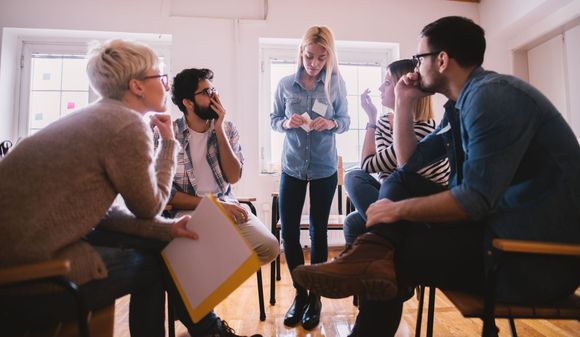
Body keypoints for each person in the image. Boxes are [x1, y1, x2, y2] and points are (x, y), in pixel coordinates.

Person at [293, 16, 580, 337]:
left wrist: (396, 210)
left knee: (387, 261)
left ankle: (364, 261)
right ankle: (367, 255)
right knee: (375, 212)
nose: (415, 66)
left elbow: (474, 200)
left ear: (441, 60)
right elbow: (409, 164)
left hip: (531, 260)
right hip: (497, 236)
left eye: (419, 58)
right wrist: (403, 102)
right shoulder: (463, 104)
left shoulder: (491, 99)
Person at [0, 40, 261, 337]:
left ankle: (210, 331)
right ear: (137, 86)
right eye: (160, 77)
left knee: (162, 246)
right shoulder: (126, 125)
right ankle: (210, 332)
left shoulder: (101, 116)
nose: (165, 85)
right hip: (25, 275)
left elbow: (103, 213)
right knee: (152, 267)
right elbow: (150, 207)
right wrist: (168, 144)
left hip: (20, 252)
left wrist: (166, 230)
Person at [166, 67, 279, 336]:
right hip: (187, 211)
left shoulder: (226, 128)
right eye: (205, 92)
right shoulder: (169, 135)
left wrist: (219, 130)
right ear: (187, 102)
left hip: (226, 203)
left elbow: (234, 176)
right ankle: (206, 319)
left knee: (269, 247)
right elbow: (167, 195)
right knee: (183, 259)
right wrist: (212, 208)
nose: (214, 95)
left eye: (213, 89)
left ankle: (197, 307)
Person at [270, 25, 350, 330]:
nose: (313, 64)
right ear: (301, 52)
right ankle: (300, 294)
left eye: (320, 58)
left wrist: (329, 122)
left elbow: (345, 121)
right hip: (291, 167)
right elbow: (273, 120)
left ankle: (315, 298)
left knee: (318, 232)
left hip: (324, 169)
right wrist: (285, 123)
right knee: (288, 232)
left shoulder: (336, 84)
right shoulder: (285, 85)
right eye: (308, 56)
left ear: (329, 57)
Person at [343, 59, 449, 247]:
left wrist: (372, 122)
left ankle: (386, 241)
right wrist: (373, 119)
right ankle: (368, 266)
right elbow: (374, 166)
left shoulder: (423, 129)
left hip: (419, 204)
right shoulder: (385, 121)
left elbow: (369, 164)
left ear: (403, 87)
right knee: (352, 218)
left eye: (387, 82)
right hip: (393, 192)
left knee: (354, 177)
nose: (380, 88)